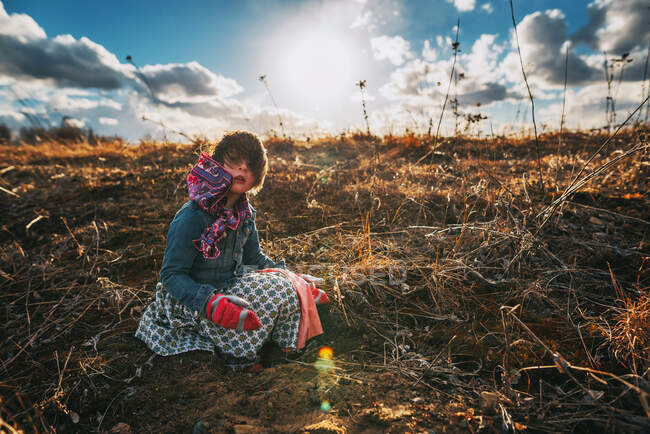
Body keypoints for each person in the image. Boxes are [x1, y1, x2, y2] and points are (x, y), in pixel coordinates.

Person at [135, 131, 325, 372]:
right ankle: (239, 360)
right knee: (256, 300)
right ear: (216, 164)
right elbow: (171, 275)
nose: (243, 168)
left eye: (251, 164)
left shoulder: (245, 214)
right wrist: (208, 302)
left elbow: (255, 259)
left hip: (227, 285)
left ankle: (281, 350)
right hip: (191, 301)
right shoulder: (192, 217)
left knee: (283, 287)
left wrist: (296, 282)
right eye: (235, 160)